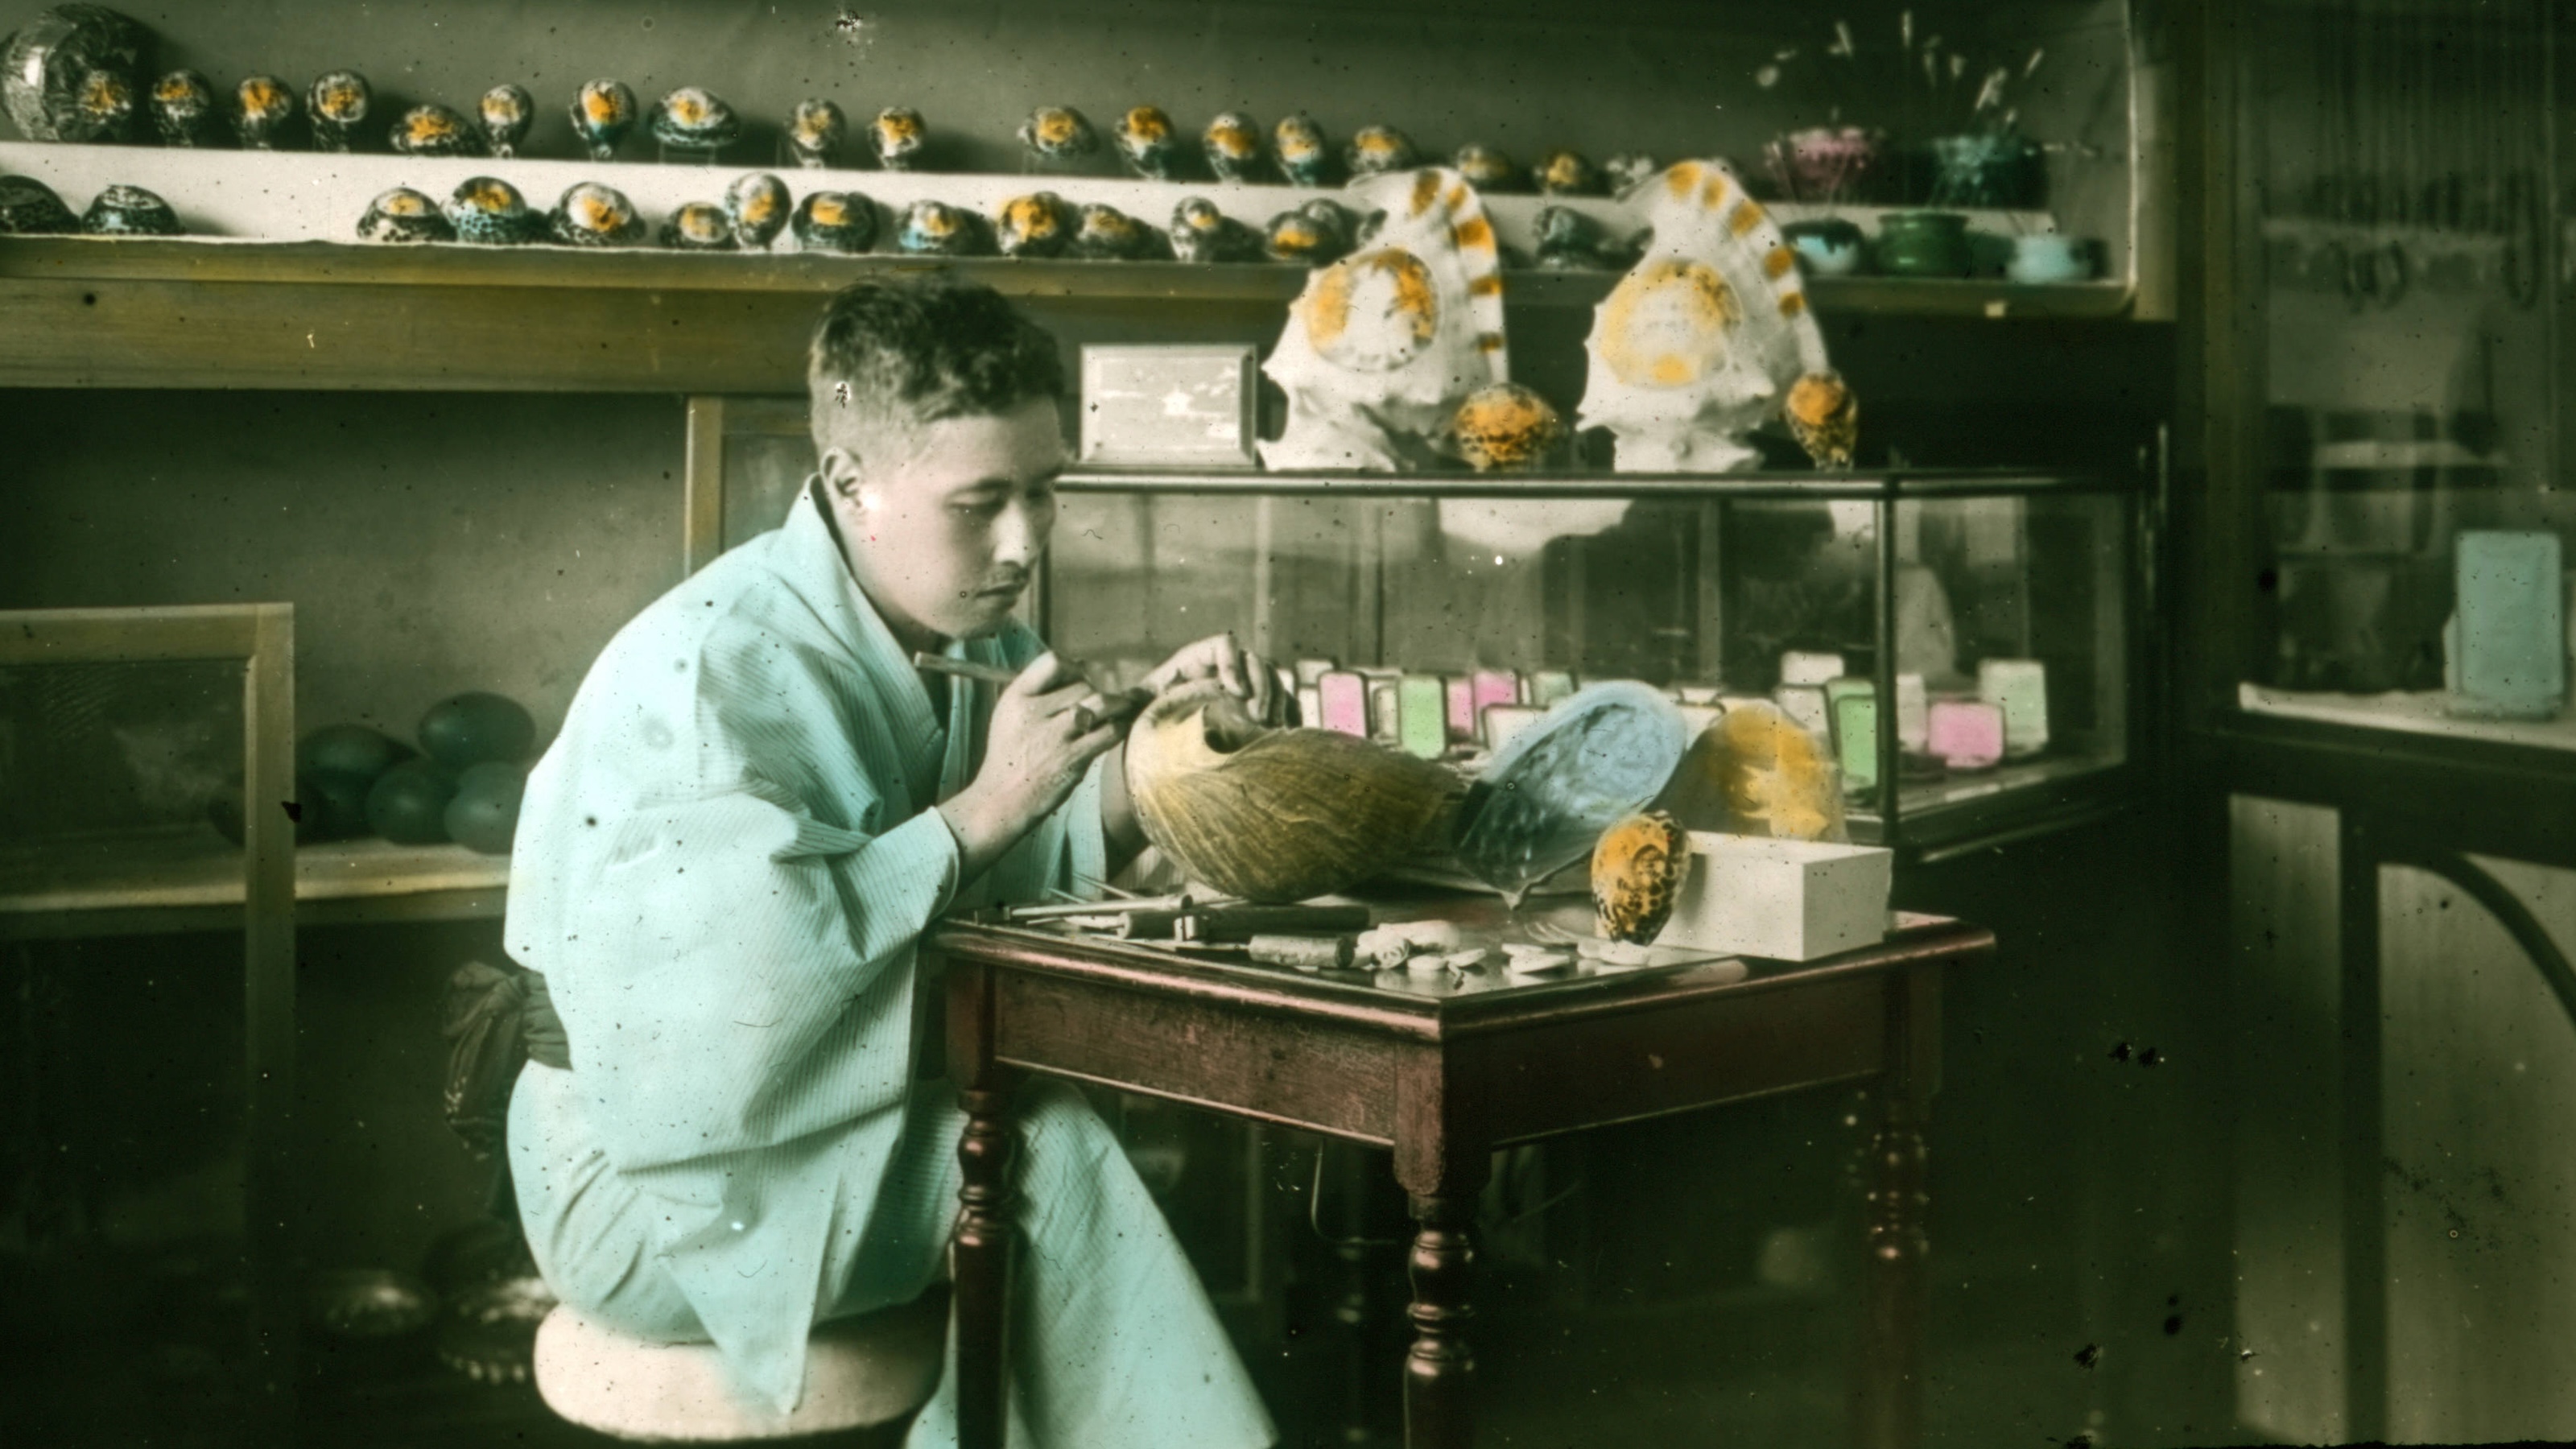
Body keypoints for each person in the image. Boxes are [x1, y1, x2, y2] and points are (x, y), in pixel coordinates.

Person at [501, 278, 1279, 1448]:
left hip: (782, 1142)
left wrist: (1172, 750)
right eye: (982, 502)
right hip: (649, 1179)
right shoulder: (715, 666)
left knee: (1036, 1137)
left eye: (1045, 491)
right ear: (851, 484)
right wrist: (984, 806)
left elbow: (1034, 857)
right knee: (1041, 1158)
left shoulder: (957, 630)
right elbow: (714, 1018)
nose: (1025, 543)